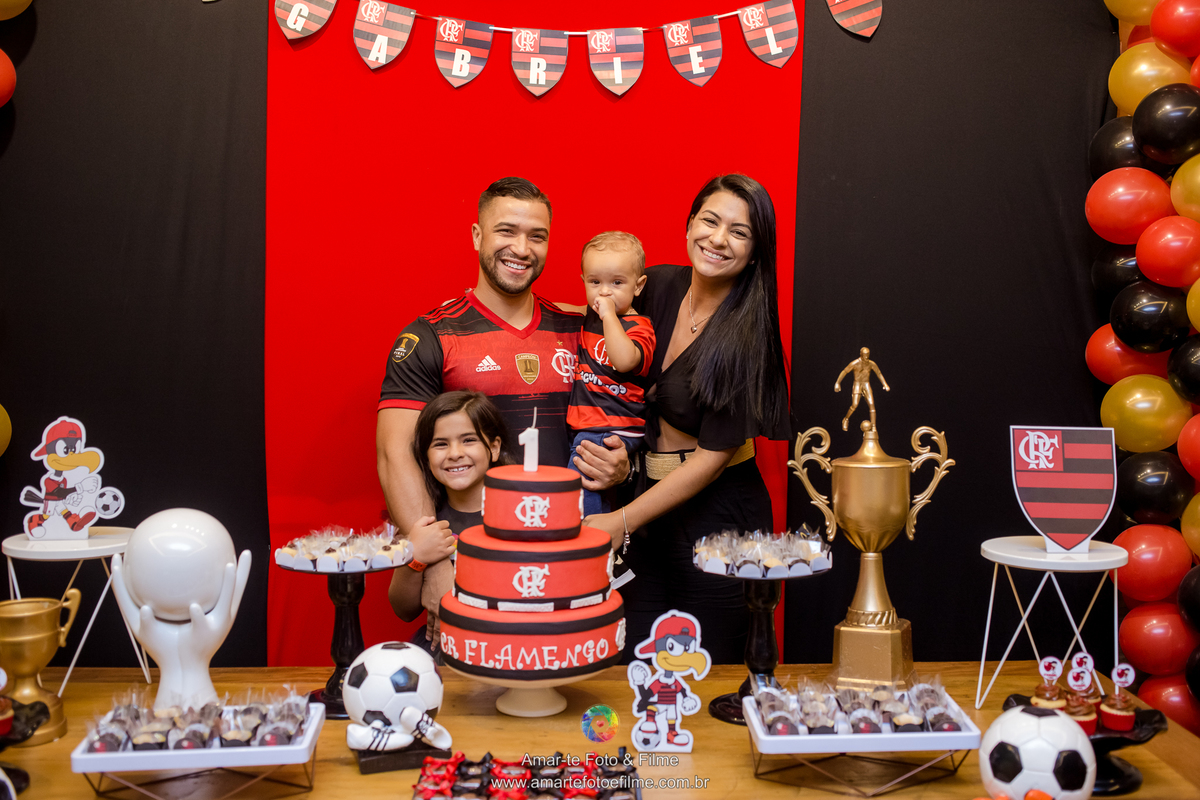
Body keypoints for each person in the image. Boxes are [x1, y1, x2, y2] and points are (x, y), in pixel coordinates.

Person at [377, 177, 631, 615]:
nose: (522, 248)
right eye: (506, 231)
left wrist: (622, 464)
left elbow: (625, 411)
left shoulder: (584, 329)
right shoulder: (431, 336)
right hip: (477, 558)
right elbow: (395, 455)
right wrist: (436, 557)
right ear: (477, 236)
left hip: (568, 553)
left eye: (537, 236)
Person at [585, 174, 791, 665]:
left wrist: (619, 521)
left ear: (756, 251)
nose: (719, 239)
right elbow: (594, 317)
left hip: (719, 515)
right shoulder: (656, 285)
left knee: (709, 665)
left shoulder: (750, 336)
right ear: (689, 225)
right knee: (631, 660)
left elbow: (712, 460)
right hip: (648, 507)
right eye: (710, 220)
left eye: (739, 232)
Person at [387, 390, 512, 658]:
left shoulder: (519, 514)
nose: (455, 453)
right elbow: (403, 609)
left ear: (493, 448)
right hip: (441, 655)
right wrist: (415, 557)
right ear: (426, 455)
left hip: (508, 650)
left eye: (468, 440)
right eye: (440, 444)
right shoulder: (424, 519)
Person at [566, 232, 656, 516]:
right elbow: (560, 310)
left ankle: (586, 537)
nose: (604, 292)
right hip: (592, 424)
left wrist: (607, 316)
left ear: (638, 286)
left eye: (616, 283)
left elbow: (624, 359)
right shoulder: (591, 316)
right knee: (595, 485)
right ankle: (604, 547)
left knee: (579, 485)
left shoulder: (639, 326)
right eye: (595, 283)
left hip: (613, 425)